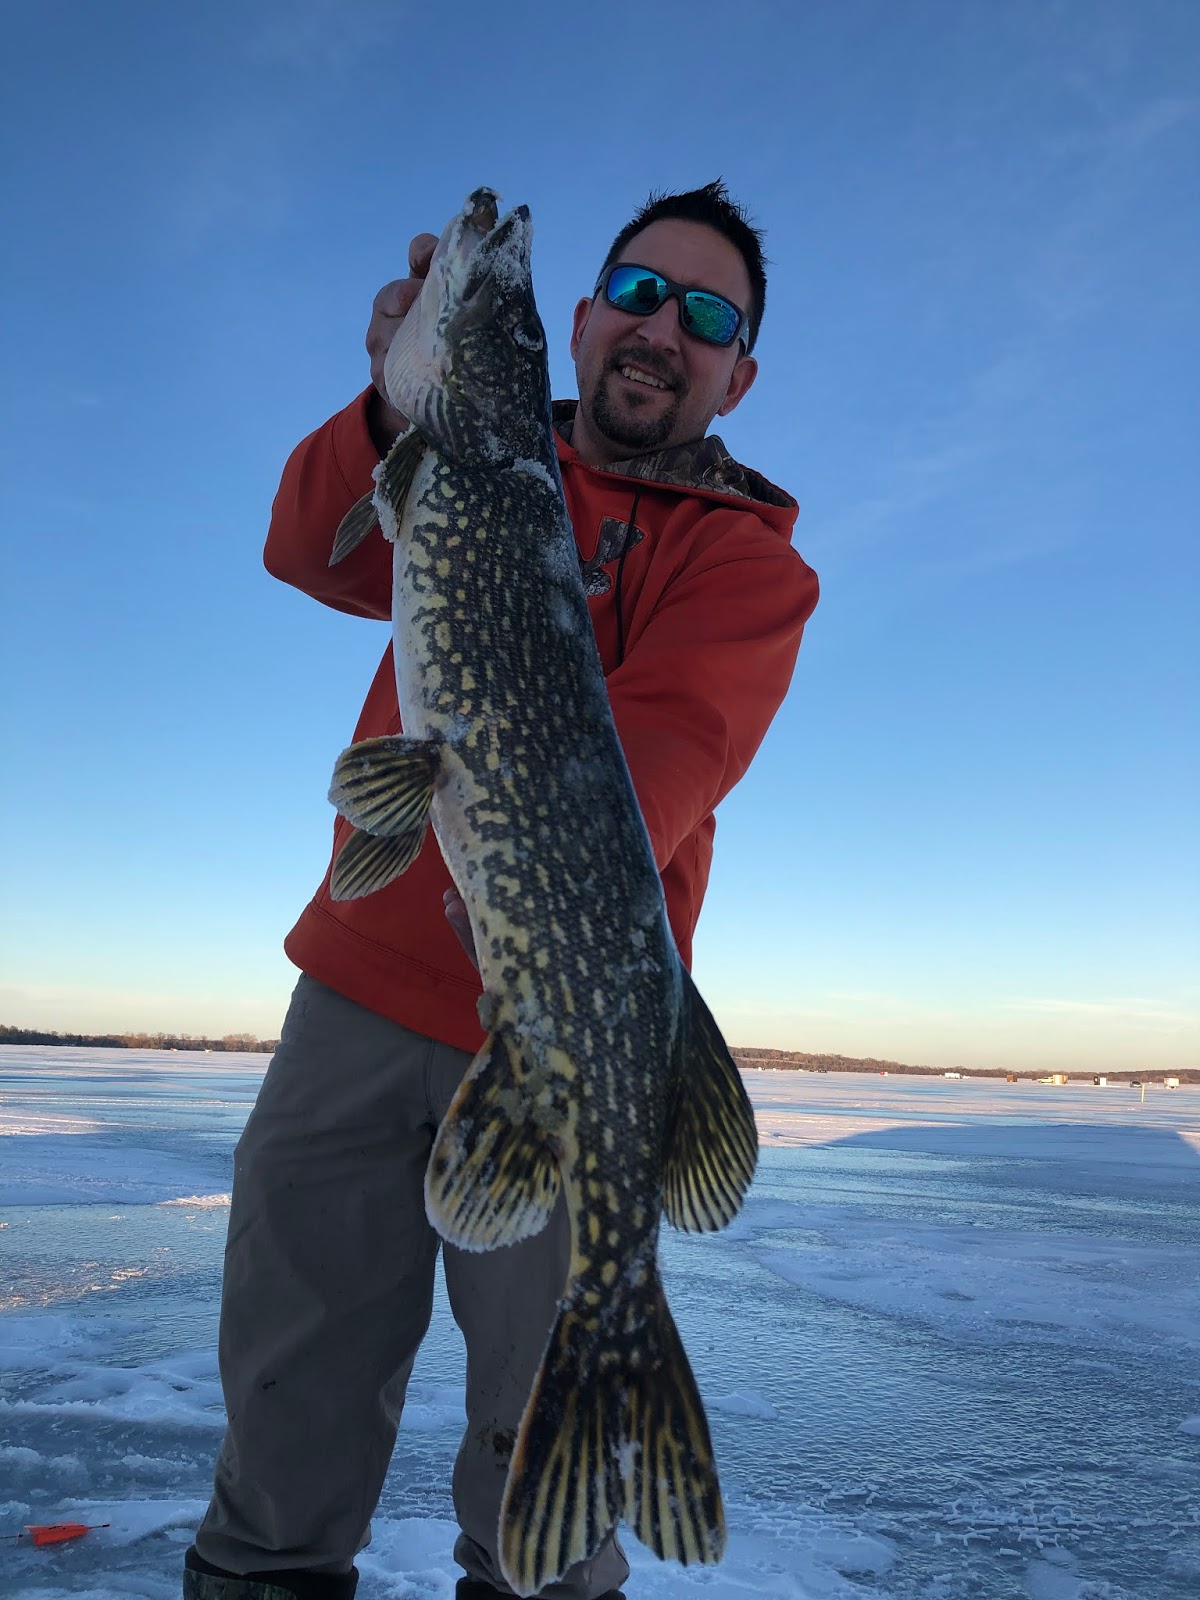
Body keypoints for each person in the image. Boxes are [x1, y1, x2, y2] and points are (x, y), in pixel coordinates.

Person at [184, 181, 819, 1600]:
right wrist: (390, 403)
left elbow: (665, 756)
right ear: (583, 325)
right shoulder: (465, 468)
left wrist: (523, 875)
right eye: (639, 294)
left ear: (738, 373)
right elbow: (305, 545)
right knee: (287, 1424)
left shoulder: (746, 564)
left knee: (541, 1489)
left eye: (707, 316)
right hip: (354, 995)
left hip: (563, 1037)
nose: (666, 329)